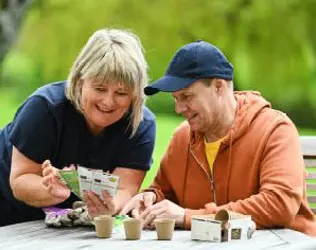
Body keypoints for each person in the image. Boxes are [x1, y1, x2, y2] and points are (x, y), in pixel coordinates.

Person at [120, 40, 316, 236]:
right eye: (175, 98)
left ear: (218, 87)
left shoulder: (275, 130)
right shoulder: (183, 138)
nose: (179, 109)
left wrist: (190, 217)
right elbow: (164, 191)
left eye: (187, 96)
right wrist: (150, 198)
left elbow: (279, 204)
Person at [0, 28, 156, 226]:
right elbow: (20, 180)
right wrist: (49, 191)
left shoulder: (141, 124)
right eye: (100, 89)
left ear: (135, 93)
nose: (108, 102)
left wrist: (110, 206)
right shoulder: (44, 108)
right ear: (81, 81)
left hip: (62, 221)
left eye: (122, 93)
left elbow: (125, 189)